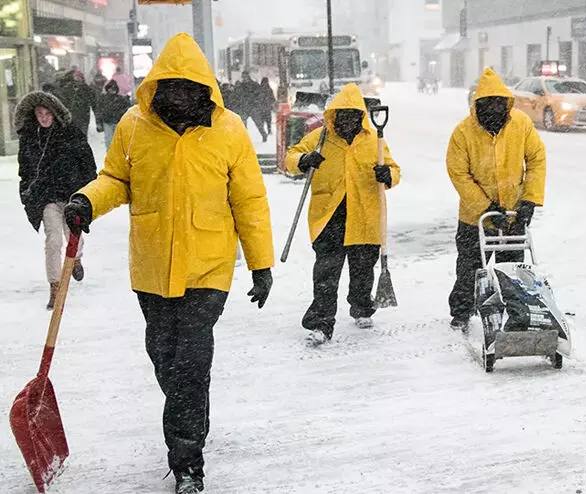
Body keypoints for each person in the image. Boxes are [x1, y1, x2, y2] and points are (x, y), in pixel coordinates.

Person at [63, 33, 274, 494]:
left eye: (187, 86)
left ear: (203, 87)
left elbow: (250, 201)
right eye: (169, 85)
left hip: (208, 266)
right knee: (164, 357)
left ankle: (187, 462)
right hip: (153, 266)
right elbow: (116, 179)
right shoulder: (134, 126)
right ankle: (191, 415)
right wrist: (87, 200)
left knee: (189, 360)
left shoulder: (230, 130)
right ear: (156, 85)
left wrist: (261, 265)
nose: (177, 95)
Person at [285, 83, 400, 346]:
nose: (346, 120)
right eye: (341, 114)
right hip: (330, 216)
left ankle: (361, 306)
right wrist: (304, 160)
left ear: (361, 116)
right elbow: (291, 157)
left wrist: (388, 175)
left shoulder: (374, 141)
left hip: (364, 215)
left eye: (352, 115)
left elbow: (395, 169)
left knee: (362, 269)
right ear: (333, 115)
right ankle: (321, 322)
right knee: (326, 273)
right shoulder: (320, 139)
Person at [445, 67, 546, 331]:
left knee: (511, 269)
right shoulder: (463, 133)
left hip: (513, 215)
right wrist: (486, 208)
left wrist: (529, 201)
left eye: (499, 104)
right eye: (487, 105)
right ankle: (462, 311)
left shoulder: (521, 125)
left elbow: (536, 159)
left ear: (507, 105)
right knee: (470, 267)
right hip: (475, 217)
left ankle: (516, 312)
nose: (494, 110)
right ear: (478, 105)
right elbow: (458, 173)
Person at [15, 91, 97, 309]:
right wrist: (27, 192)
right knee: (53, 240)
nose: (43, 117)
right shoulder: (31, 138)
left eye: (47, 113)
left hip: (73, 194)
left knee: (73, 235)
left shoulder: (71, 134)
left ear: (54, 113)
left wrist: (88, 191)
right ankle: (55, 286)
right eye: (39, 113)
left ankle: (76, 257)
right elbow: (25, 169)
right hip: (47, 196)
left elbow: (87, 163)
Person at [55, 70, 98, 136]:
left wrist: (98, 121)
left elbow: (95, 105)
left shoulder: (87, 90)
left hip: (83, 118)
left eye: (79, 77)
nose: (78, 80)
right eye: (76, 77)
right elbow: (61, 104)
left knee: (82, 138)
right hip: (71, 118)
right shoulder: (66, 89)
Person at [95, 80, 131, 150]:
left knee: (115, 141)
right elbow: (98, 111)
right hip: (109, 122)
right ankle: (111, 155)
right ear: (108, 89)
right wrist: (98, 122)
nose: (112, 90)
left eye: (114, 88)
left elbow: (127, 108)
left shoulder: (119, 99)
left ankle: (114, 154)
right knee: (110, 141)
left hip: (115, 121)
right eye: (111, 88)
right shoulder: (104, 99)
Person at [233, 70, 267, 141]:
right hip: (244, 107)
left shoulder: (254, 85)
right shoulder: (241, 85)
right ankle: (244, 138)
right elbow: (237, 95)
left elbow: (260, 94)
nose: (244, 78)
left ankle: (264, 134)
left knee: (258, 122)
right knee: (243, 124)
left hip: (252, 106)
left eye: (245, 77)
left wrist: (256, 102)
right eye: (243, 77)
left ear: (248, 77)